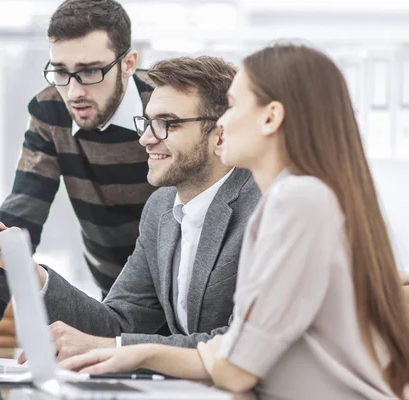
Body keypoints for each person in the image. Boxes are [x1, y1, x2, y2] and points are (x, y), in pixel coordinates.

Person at [58, 44, 409, 400]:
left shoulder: (298, 200)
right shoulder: (292, 198)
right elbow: (235, 351)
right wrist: (128, 351)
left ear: (271, 118)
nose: (222, 122)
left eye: (235, 105)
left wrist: (138, 352)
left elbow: (237, 366)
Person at [0, 0, 157, 353]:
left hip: (179, 290)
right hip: (116, 296)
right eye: (61, 71)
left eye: (90, 71)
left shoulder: (168, 109)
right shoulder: (50, 110)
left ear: (129, 63)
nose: (74, 92)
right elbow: (20, 216)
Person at [0, 55, 261, 363]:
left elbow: (238, 343)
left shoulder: (264, 209)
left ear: (219, 134)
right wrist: (31, 273)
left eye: (166, 124)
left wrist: (114, 349)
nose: (145, 139)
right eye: (147, 122)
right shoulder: (161, 209)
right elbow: (115, 324)